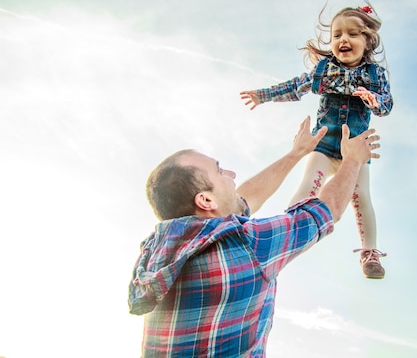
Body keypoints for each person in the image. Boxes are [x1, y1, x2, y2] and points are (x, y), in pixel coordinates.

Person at [128, 116, 380, 358]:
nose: (232, 175)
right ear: (205, 200)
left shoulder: (158, 248)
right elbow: (328, 209)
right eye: (220, 171)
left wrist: (296, 154)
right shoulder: (245, 246)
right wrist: (353, 160)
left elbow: (242, 201)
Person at [240, 1, 393, 279]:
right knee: (308, 185)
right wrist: (263, 95)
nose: (343, 39)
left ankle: (370, 252)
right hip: (323, 144)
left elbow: (386, 105)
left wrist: (374, 100)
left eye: (352, 34)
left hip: (354, 151)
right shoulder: (323, 71)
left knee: (360, 197)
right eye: (337, 35)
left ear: (368, 40)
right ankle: (286, 234)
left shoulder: (375, 75)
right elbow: (294, 87)